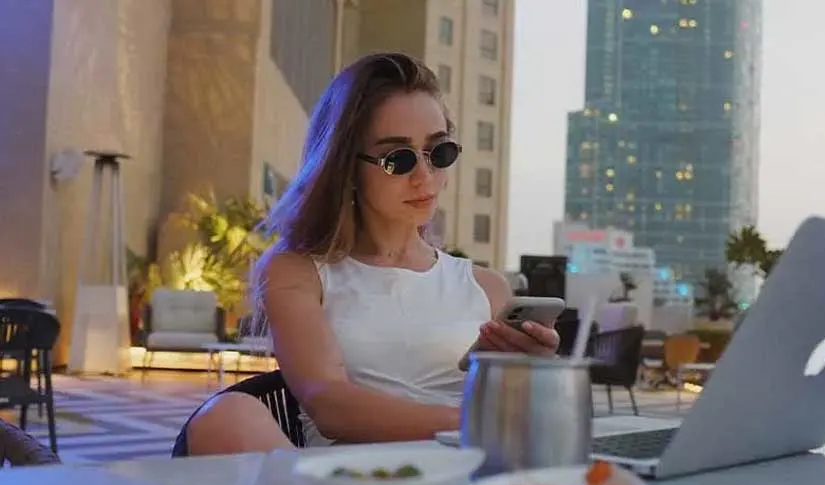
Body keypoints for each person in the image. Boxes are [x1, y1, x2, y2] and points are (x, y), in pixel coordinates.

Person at [185, 52, 560, 455]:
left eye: (439, 152)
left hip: (468, 471)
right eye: (398, 159)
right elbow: (329, 405)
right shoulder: (297, 271)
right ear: (346, 166)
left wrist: (536, 373)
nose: (425, 176)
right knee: (225, 416)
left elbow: (525, 420)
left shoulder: (486, 287)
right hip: (349, 479)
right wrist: (472, 423)